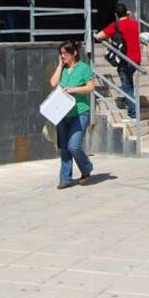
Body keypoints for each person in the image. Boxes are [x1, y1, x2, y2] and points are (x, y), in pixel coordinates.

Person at [49, 40, 96, 189]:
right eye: (61, 54)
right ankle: (65, 179)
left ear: (74, 53)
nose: (62, 56)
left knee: (74, 146)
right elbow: (53, 83)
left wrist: (74, 89)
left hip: (80, 112)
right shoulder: (62, 69)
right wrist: (59, 65)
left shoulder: (84, 69)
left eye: (65, 54)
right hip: (62, 113)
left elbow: (90, 88)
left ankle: (86, 168)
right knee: (64, 147)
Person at [94, 3, 141, 120]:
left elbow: (98, 36)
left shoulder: (116, 26)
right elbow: (129, 25)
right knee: (129, 82)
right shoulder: (135, 24)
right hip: (137, 60)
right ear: (126, 13)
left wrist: (110, 37)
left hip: (125, 60)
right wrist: (128, 16)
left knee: (126, 86)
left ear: (115, 14)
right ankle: (130, 101)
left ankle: (133, 113)